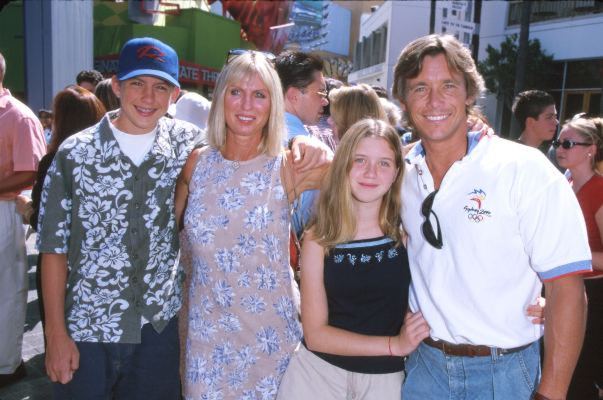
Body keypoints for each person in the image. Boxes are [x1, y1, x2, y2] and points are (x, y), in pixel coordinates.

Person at [392, 34, 591, 399]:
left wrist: (551, 393)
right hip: (423, 370)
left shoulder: (525, 169)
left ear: (470, 93)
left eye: (448, 85)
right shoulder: (397, 171)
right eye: (420, 88)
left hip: (505, 374)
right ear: (403, 99)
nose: (435, 101)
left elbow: (567, 291)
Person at [37, 37, 203, 399]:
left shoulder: (186, 143)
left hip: (157, 333)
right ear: (116, 86)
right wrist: (55, 335)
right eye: (137, 84)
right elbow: (52, 249)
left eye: (160, 87)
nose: (148, 97)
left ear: (175, 94)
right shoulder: (75, 155)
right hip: (87, 328)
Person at [175, 49, 328, 400]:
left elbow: (360, 180)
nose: (247, 105)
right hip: (208, 341)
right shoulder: (197, 164)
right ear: (221, 98)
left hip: (270, 342)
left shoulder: (287, 165)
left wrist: (313, 145)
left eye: (259, 95)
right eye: (236, 92)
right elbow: (169, 236)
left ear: (273, 104)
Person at [277, 118, 430, 400]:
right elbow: (316, 335)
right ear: (343, 164)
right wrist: (393, 345)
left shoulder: (408, 234)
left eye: (384, 163)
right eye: (360, 160)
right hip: (316, 377)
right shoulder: (319, 238)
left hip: (383, 383)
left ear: (397, 171)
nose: (371, 172)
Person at [16, 85, 106, 328]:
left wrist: (26, 208)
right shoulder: (108, 160)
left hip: (61, 270)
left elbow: (47, 223)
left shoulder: (54, 161)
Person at [0, 51, 46, 389]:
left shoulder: (18, 115)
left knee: (7, 290)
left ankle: (7, 365)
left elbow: (31, 169)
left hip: (5, 210)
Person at [554, 116, 603, 400]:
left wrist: (573, 256)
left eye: (569, 143)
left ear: (591, 149)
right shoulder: (565, 182)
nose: (561, 148)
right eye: (559, 142)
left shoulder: (598, 189)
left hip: (594, 297)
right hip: (566, 290)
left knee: (581, 376)